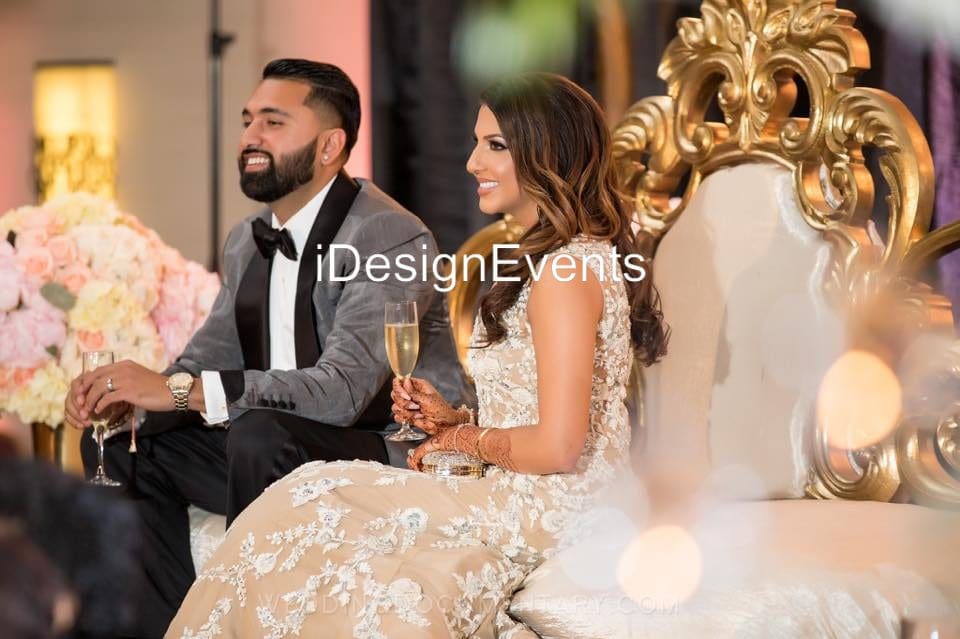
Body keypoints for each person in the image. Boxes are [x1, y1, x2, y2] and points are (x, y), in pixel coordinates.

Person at [167, 72, 668, 638]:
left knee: (309, 499)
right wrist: (455, 418)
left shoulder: (564, 273)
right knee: (303, 500)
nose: (472, 163)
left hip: (554, 508)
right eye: (478, 142)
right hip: (530, 487)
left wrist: (458, 441)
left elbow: (558, 447)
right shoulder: (567, 259)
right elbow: (551, 417)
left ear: (546, 154)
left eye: (495, 146)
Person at [63, 59, 472, 637]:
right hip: (275, 450)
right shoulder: (245, 241)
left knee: (258, 430)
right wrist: (131, 399)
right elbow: (206, 360)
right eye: (248, 120)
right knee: (126, 440)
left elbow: (342, 393)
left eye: (273, 123)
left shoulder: (389, 236)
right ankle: (173, 625)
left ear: (331, 145)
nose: (251, 137)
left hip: (381, 452)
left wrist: (182, 390)